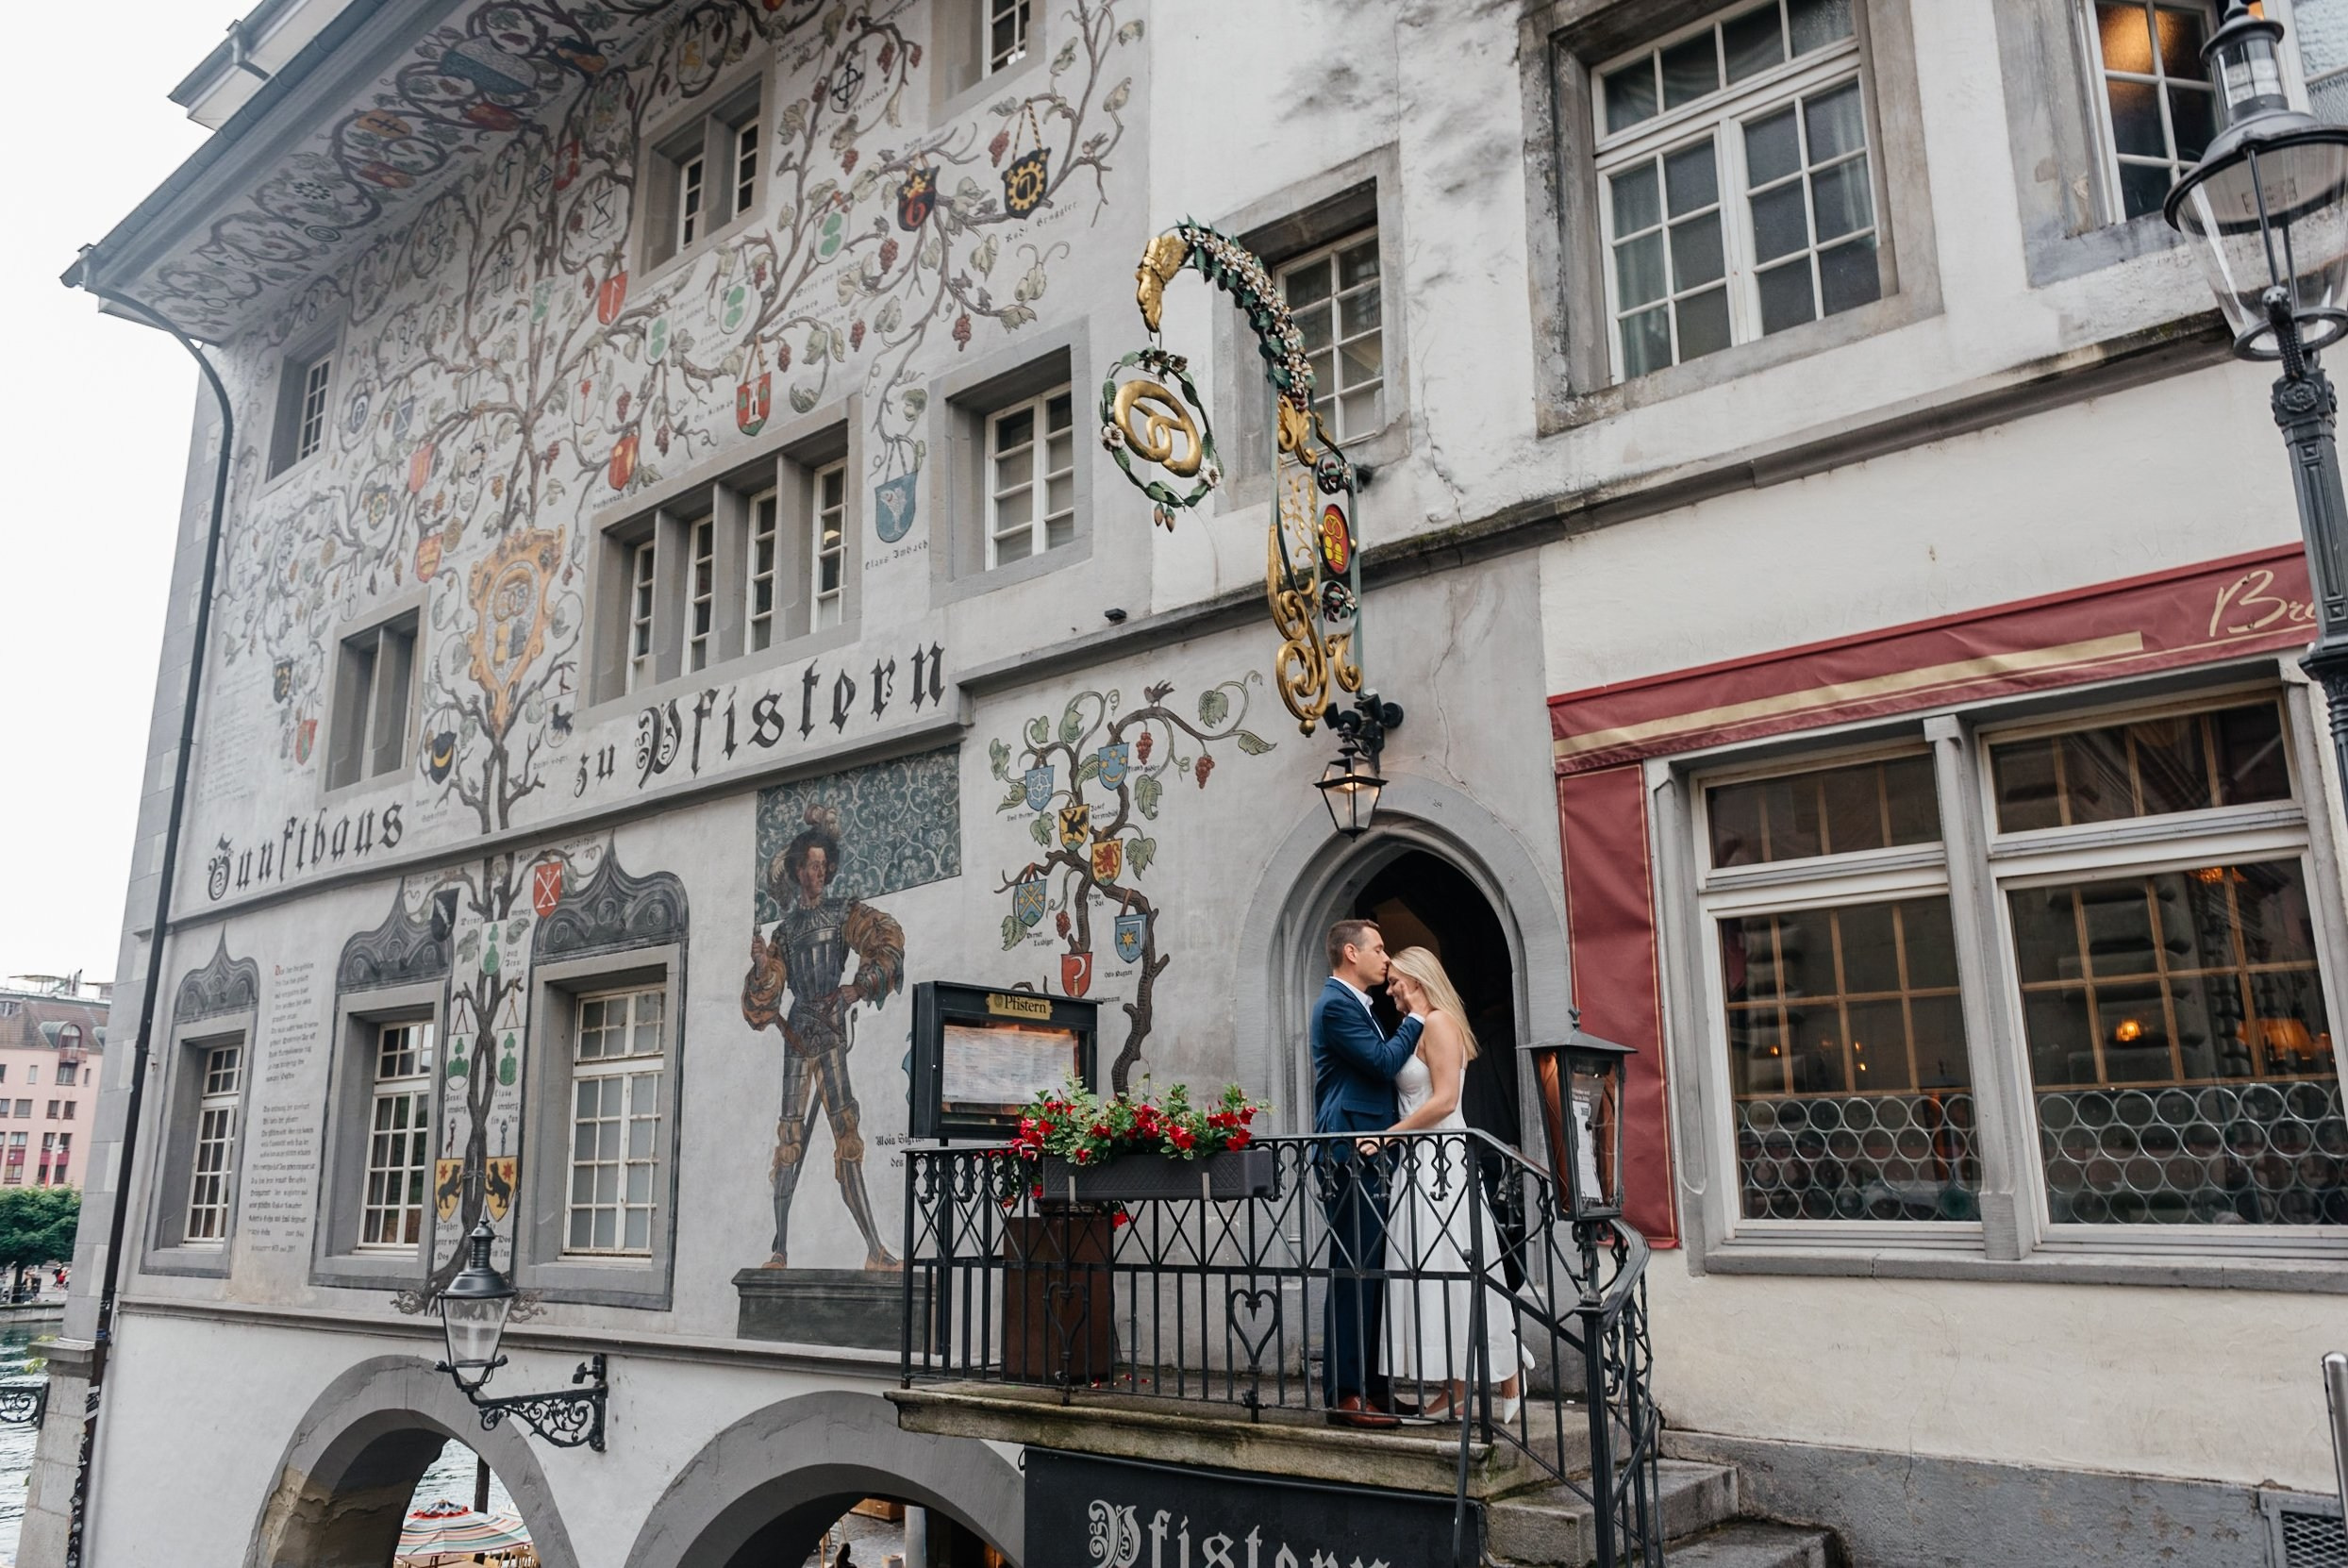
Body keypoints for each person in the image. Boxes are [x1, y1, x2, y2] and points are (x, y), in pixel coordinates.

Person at [741, 804, 906, 1269]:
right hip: (797, 1034)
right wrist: (760, 965)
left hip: (831, 1028)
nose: (817, 872)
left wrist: (859, 986)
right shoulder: (786, 931)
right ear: (798, 871)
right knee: (790, 1139)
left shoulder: (842, 912)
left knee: (846, 1133)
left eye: (821, 865)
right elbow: (766, 992)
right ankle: (779, 1248)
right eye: (809, 866)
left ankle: (875, 1249)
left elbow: (886, 937)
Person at [1377, 946, 1523, 1424]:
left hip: (1440, 1166)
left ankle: (1479, 1383)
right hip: (1419, 1165)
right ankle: (1473, 1382)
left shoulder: (1438, 1023)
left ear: (1419, 980)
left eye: (1397, 980)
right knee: (1439, 1272)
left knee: (1454, 1269)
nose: (1391, 987)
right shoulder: (1417, 1025)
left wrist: (1388, 1137)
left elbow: (1444, 1101)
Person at [1310, 918, 1424, 1428]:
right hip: (1349, 1154)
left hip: (1373, 1152)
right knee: (1353, 1272)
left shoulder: (1359, 1005)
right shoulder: (1335, 1004)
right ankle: (1346, 1394)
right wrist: (1417, 1019)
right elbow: (1380, 1064)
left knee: (1371, 1272)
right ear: (1350, 953)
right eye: (1379, 949)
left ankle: (1374, 1389)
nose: (1386, 957)